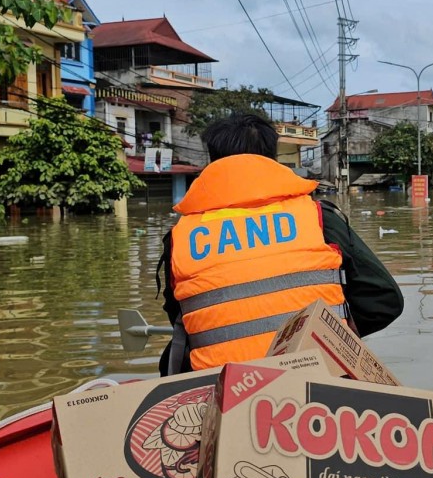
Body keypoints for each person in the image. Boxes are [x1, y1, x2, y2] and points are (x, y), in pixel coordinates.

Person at [155, 112, 403, 374]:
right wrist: (330, 338)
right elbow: (385, 301)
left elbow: (184, 319)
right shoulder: (319, 219)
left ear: (213, 161)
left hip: (225, 388)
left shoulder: (181, 237)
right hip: (318, 380)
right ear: (272, 157)